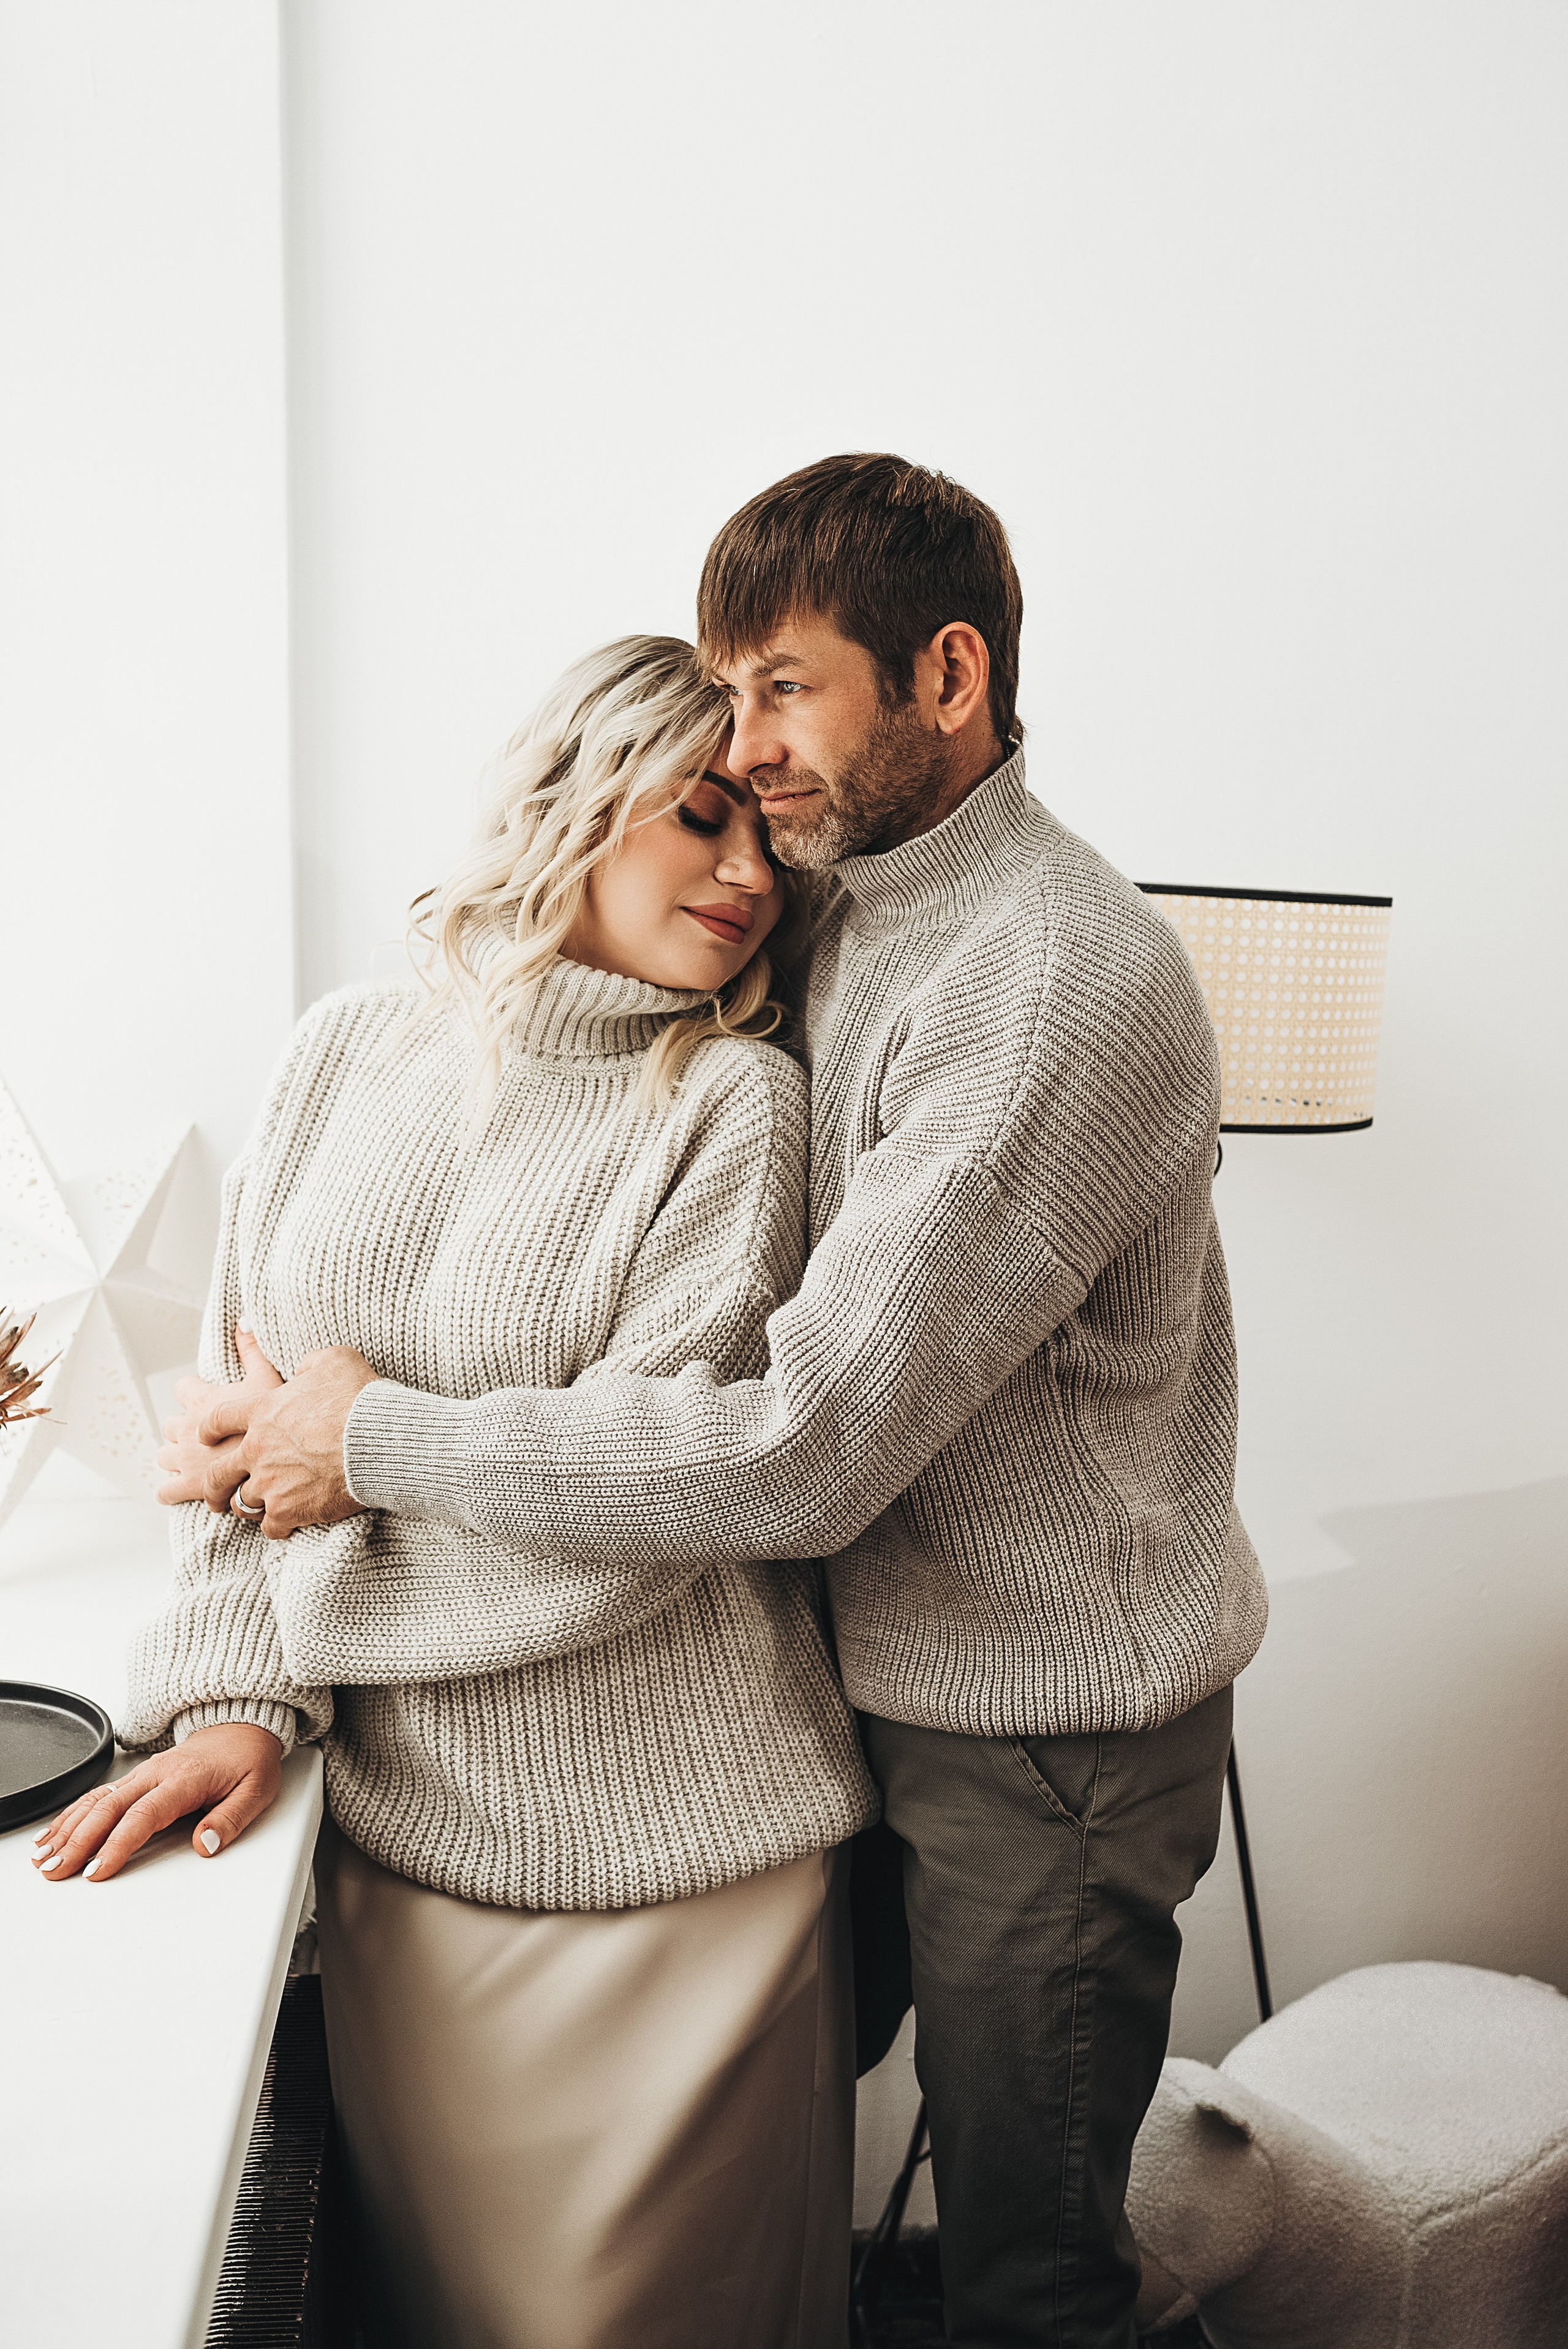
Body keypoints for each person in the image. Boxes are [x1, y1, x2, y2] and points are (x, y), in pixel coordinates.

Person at [137, 454, 1268, 2348]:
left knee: (1030, 2277)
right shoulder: (845, 900)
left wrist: (367, 1444)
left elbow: (800, 1442)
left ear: (953, 677)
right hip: (875, 1690)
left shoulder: (1048, 979)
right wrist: (248, 1621)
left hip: (1045, 1736)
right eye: (722, 712)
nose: (749, 769)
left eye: (781, 690)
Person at [31, 636, 878, 2349]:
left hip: (684, 1886)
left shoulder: (732, 1103)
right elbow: (232, 1428)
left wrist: (332, 1481)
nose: (742, 878)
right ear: (574, 794)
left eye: (771, 853)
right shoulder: (345, 1047)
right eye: (701, 815)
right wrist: (241, 1690)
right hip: (404, 1866)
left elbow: (653, 1507)